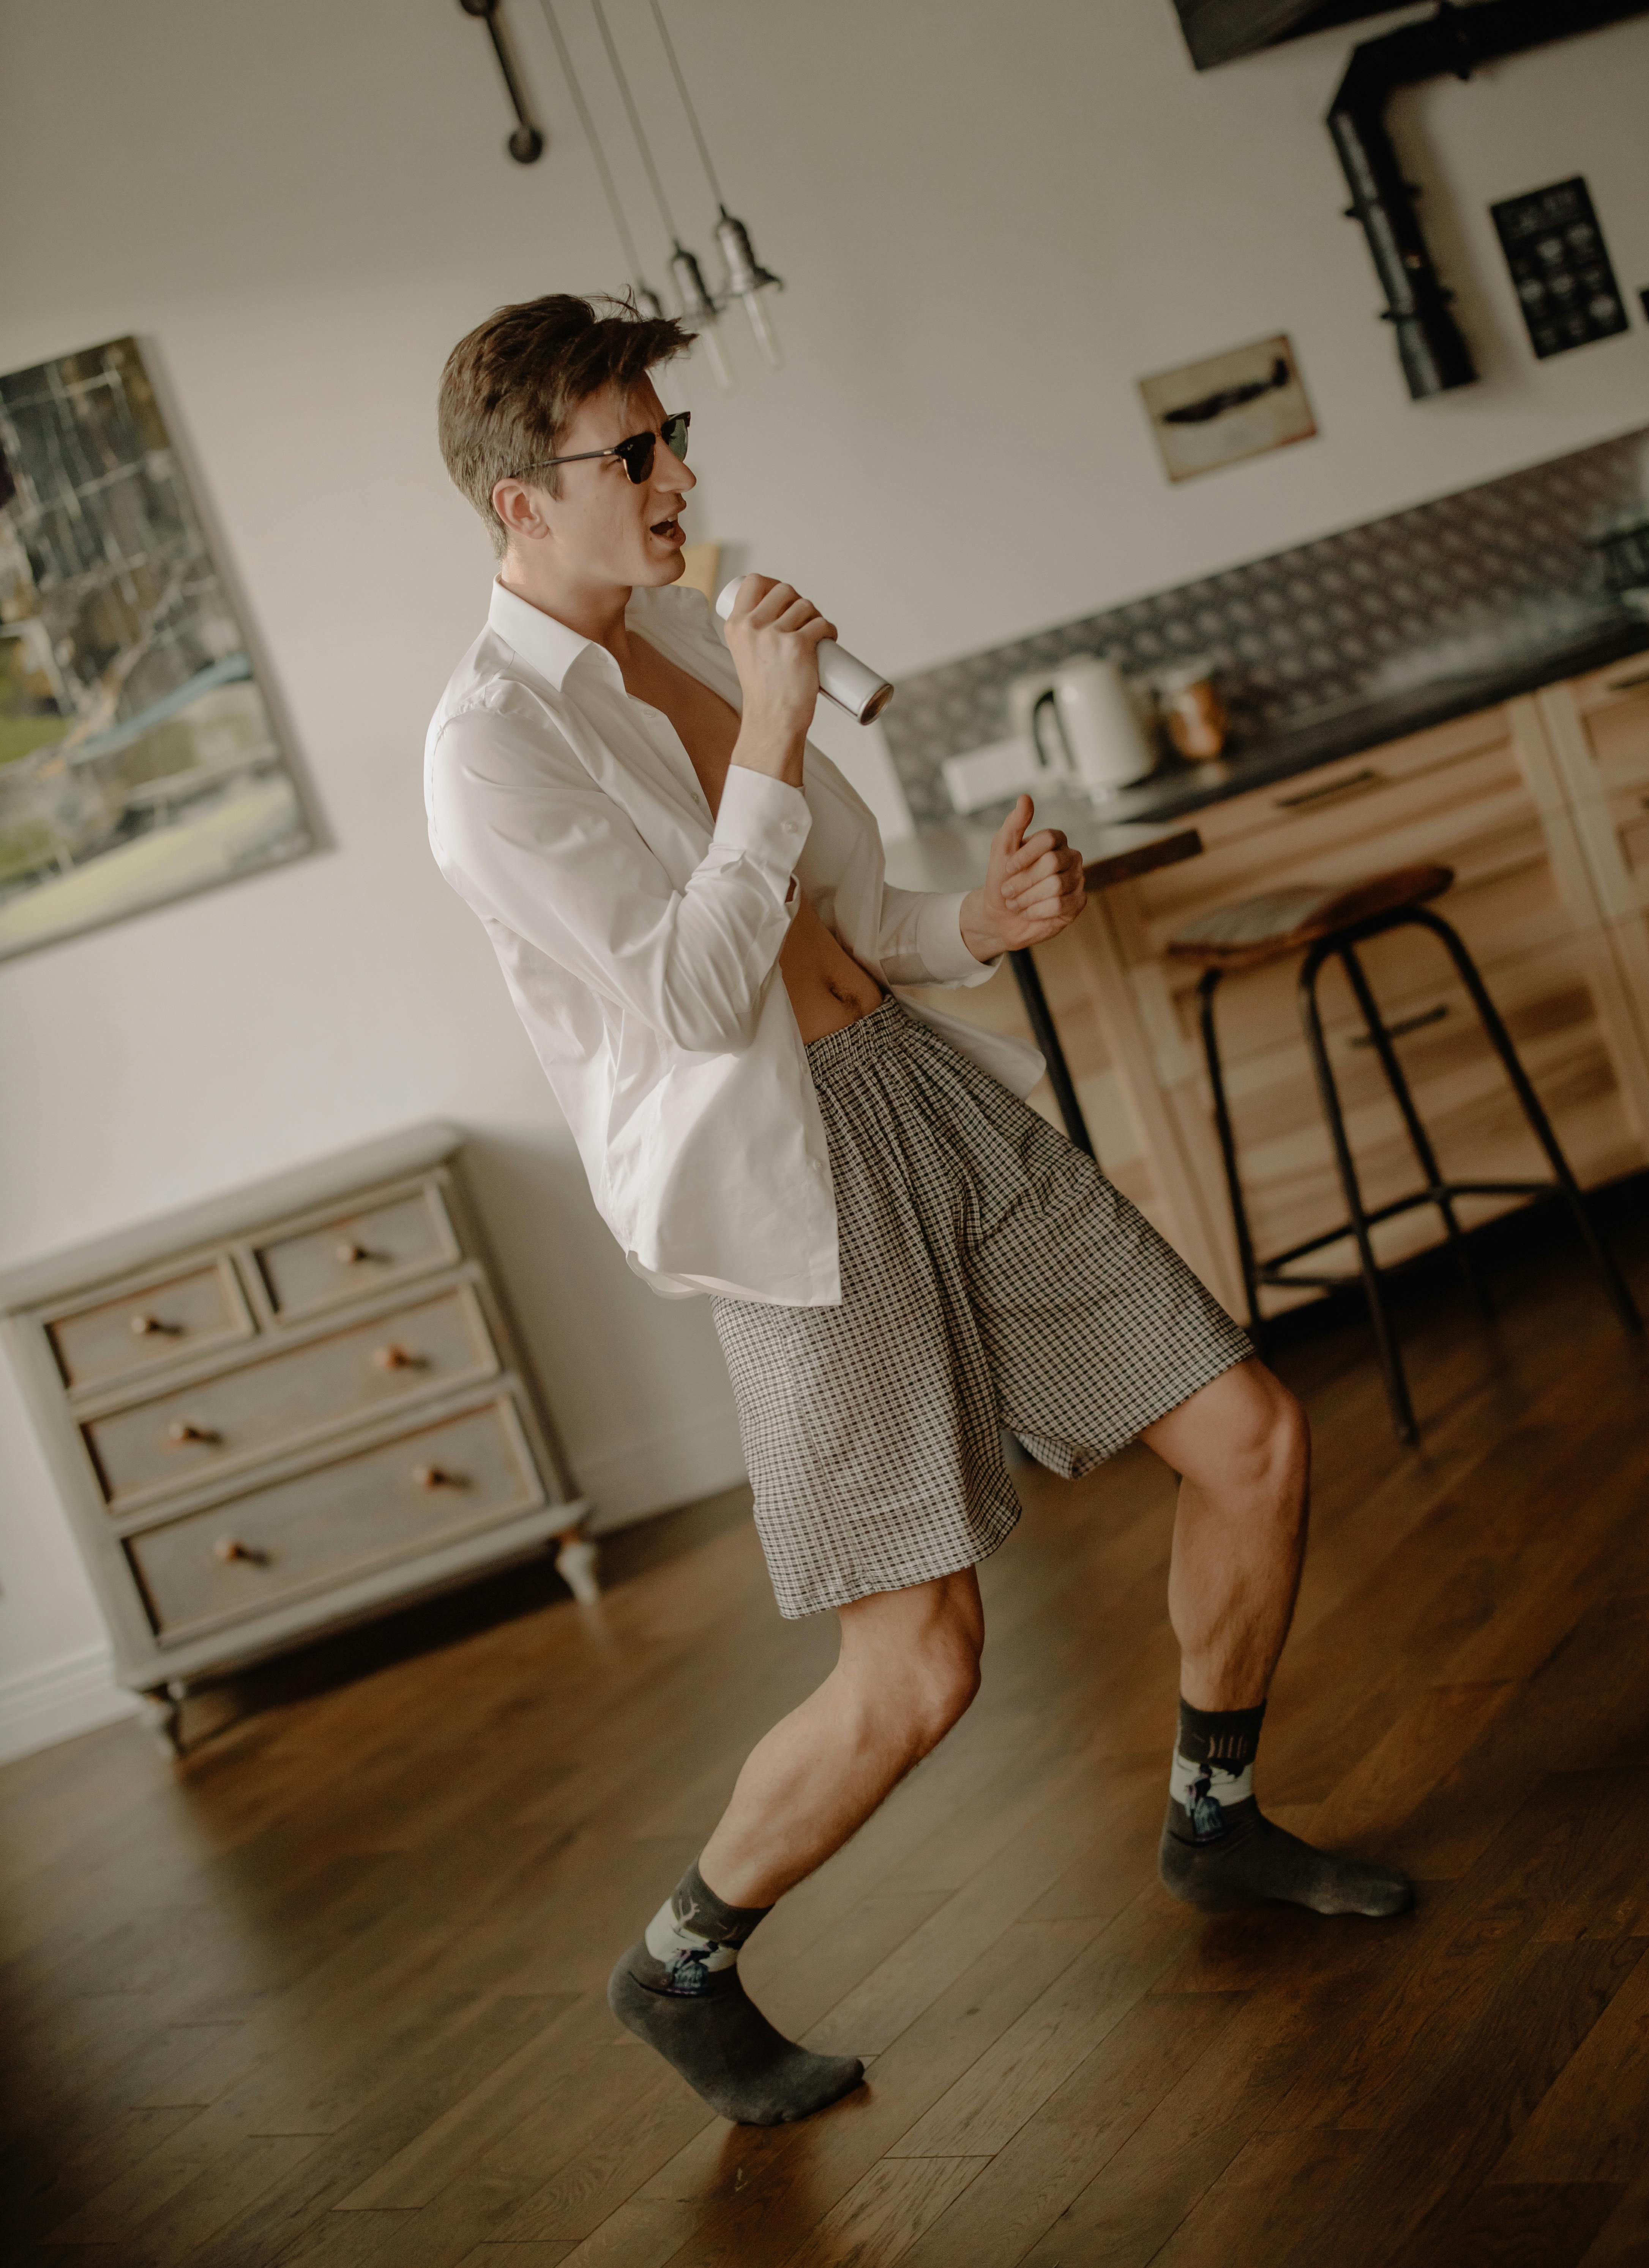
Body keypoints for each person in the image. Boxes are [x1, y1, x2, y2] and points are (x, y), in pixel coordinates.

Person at [425, 294, 1412, 2131]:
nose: (675, 475)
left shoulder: (670, 645)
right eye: (631, 454)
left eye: (672, 439)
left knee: (1252, 1439)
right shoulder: (488, 751)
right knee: (924, 1666)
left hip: (920, 1098)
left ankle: (1216, 1825)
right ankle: (684, 1961)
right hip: (790, 1188)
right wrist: (776, 736)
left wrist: (969, 927)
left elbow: (827, 926)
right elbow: (697, 995)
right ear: (516, 500)